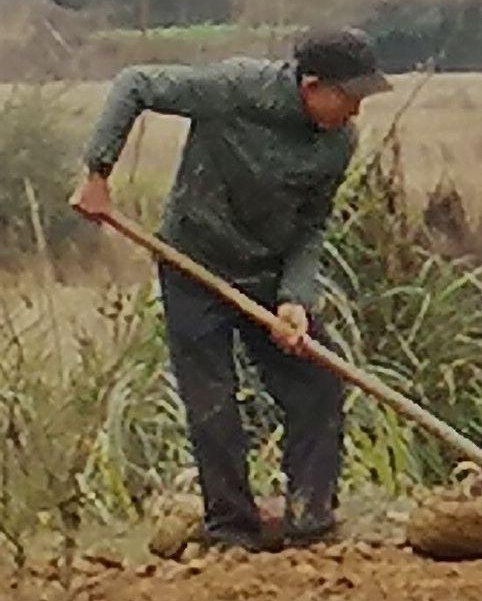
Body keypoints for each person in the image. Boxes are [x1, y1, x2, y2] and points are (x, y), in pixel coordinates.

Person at [71, 27, 391, 551]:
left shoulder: (337, 144)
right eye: (348, 97)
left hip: (266, 275)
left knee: (318, 384)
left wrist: (294, 298)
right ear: (311, 85)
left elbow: (312, 226)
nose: (354, 112)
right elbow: (135, 84)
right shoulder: (234, 89)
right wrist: (98, 171)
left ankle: (310, 519)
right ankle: (231, 528)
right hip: (194, 264)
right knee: (212, 400)